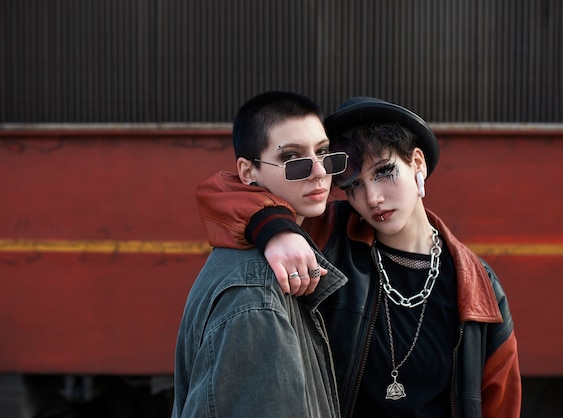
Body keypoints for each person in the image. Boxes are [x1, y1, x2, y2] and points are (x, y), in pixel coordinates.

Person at [198, 96, 522, 417]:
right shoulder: (328, 231)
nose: (373, 198)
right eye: (353, 185)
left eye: (384, 172)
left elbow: (500, 402)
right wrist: (275, 229)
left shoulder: (477, 284)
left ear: (417, 164)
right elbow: (223, 192)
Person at [171, 91, 350, 418]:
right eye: (292, 159)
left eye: (324, 153)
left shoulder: (263, 253)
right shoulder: (256, 294)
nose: (319, 171)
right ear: (248, 171)